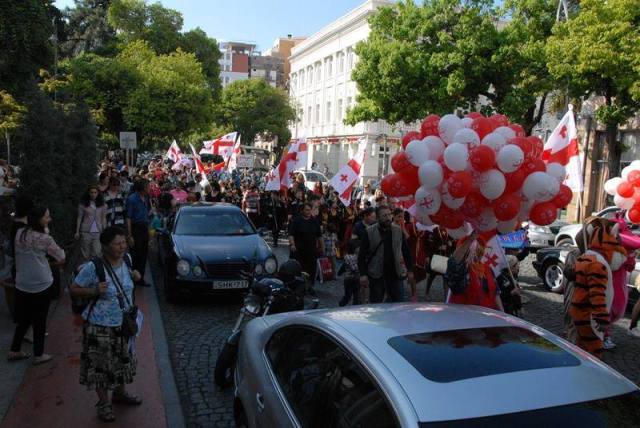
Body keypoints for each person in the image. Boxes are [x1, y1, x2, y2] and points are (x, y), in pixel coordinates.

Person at [70, 227, 142, 422]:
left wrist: (135, 275)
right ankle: (104, 403)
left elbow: (128, 285)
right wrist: (94, 291)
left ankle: (119, 394)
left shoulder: (127, 260)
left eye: (123, 243)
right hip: (100, 325)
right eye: (117, 244)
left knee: (122, 360)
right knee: (101, 366)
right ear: (105, 246)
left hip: (124, 322)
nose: (122, 246)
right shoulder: (94, 267)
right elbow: (74, 289)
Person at [8, 206, 65, 365]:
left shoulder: (20, 233)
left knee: (24, 319)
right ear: (40, 220)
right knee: (39, 321)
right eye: (47, 217)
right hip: (41, 284)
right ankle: (39, 354)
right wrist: (46, 232)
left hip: (22, 283)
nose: (50, 219)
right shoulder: (45, 238)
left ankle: (14, 349)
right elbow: (61, 256)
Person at [358, 206, 413, 303]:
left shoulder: (398, 230)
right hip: (376, 273)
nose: (388, 218)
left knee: (398, 302)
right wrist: (363, 274)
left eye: (389, 215)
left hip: (395, 273)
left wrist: (410, 270)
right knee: (377, 303)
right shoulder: (369, 232)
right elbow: (361, 255)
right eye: (384, 216)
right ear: (378, 218)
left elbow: (406, 252)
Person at [444, 232, 503, 311]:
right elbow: (454, 262)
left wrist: (502, 312)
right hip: (465, 315)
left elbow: (495, 292)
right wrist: (470, 239)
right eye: (474, 250)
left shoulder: (487, 269)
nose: (477, 254)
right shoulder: (462, 269)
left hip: (487, 315)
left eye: (480, 250)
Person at [288, 203, 324, 293]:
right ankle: (297, 286)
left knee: (311, 269)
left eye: (310, 210)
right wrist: (292, 245)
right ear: (302, 211)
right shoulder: (297, 221)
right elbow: (291, 234)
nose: (309, 212)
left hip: (311, 250)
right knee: (298, 269)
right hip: (298, 251)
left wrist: (322, 247)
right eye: (307, 210)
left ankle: (310, 286)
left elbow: (319, 236)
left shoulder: (315, 221)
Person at [126, 179, 151, 288]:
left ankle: (141, 278)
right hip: (135, 228)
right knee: (135, 255)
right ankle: (133, 279)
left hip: (144, 228)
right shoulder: (132, 199)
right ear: (142, 188)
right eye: (148, 187)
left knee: (143, 255)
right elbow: (128, 218)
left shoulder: (146, 198)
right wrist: (129, 235)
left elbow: (146, 214)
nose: (149, 188)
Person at [76, 185, 107, 261]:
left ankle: (95, 269)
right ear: (88, 193)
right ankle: (86, 269)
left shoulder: (103, 205)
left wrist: (105, 230)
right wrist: (77, 231)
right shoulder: (83, 204)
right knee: (85, 253)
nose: (93, 194)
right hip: (86, 231)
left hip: (97, 231)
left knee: (97, 252)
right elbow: (79, 217)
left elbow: (103, 218)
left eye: (95, 192)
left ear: (98, 193)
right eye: (91, 192)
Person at [339, 239, 360, 306]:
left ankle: (355, 307)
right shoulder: (349, 257)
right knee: (349, 296)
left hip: (354, 279)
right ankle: (341, 304)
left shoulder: (352, 256)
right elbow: (354, 268)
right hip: (350, 279)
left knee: (356, 296)